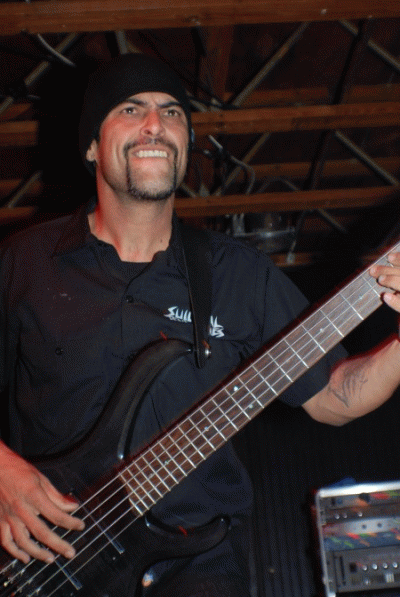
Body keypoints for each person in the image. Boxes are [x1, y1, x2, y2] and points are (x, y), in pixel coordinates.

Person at [1, 53, 400, 597]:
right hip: (37, 560)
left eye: (172, 112)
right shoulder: (25, 263)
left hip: (195, 562)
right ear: (91, 145)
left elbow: (336, 396)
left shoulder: (236, 274)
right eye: (130, 109)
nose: (155, 125)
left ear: (186, 145)